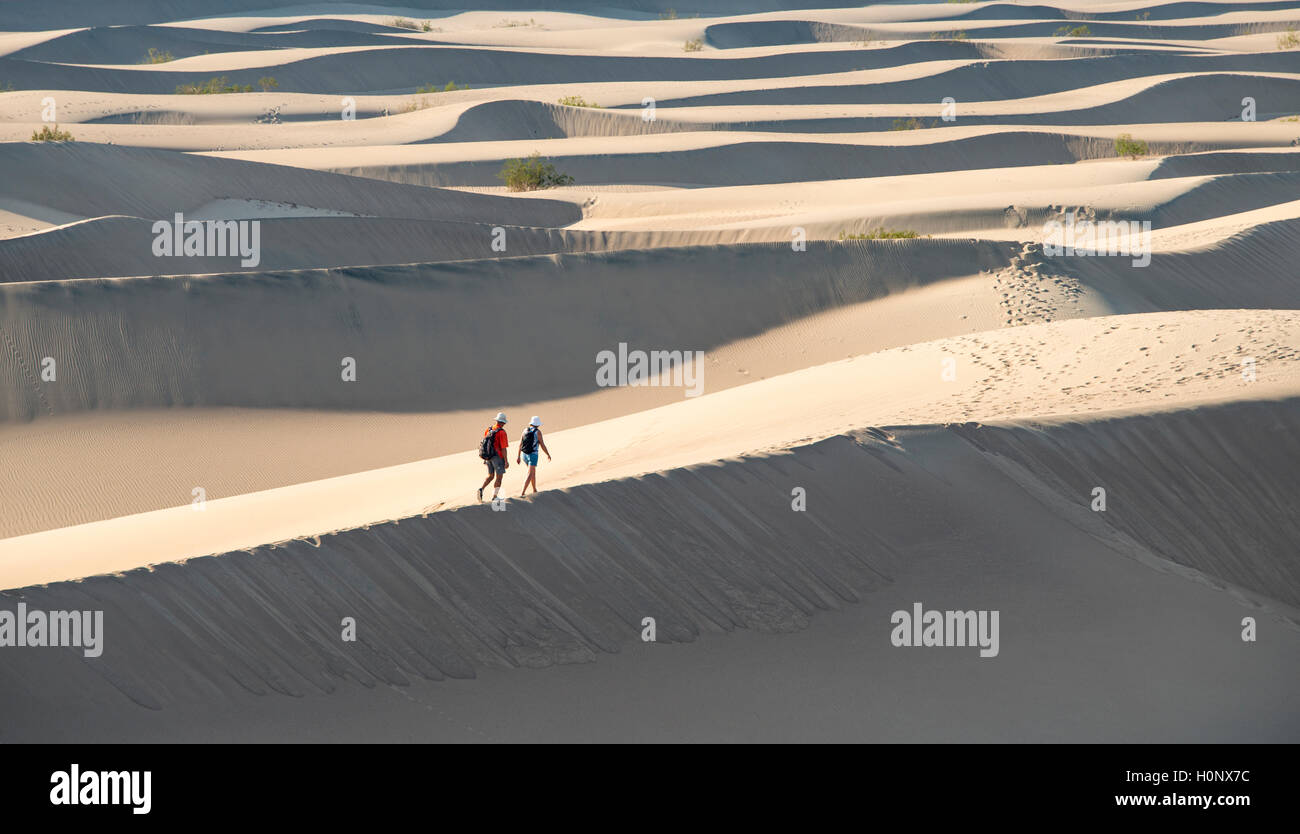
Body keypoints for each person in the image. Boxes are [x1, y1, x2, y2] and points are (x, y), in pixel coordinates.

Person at [477, 412, 509, 502]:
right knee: (499, 477)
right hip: (497, 457)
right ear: (503, 422)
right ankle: (495, 497)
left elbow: (485, 443)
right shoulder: (502, 432)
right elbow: (503, 448)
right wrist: (506, 461)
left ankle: (481, 489)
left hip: (488, 456)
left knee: (490, 476)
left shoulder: (489, 429)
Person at [516, 415, 551, 496]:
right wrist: (548, 454)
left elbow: (520, 444)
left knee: (532, 472)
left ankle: (534, 489)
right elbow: (542, 444)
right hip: (533, 455)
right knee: (530, 474)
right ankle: (522, 492)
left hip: (524, 454)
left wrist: (518, 456)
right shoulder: (538, 432)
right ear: (538, 424)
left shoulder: (525, 430)